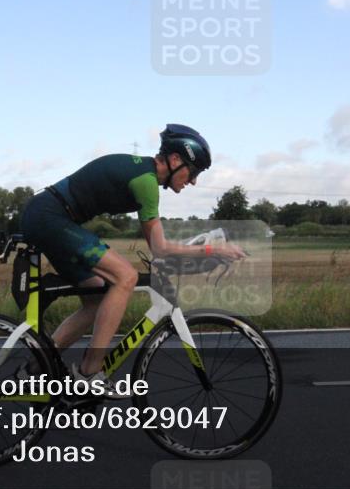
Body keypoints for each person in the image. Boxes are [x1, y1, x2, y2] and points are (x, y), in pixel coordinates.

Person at [19, 124, 246, 395]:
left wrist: (200, 248)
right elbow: (160, 249)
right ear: (175, 160)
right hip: (50, 217)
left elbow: (158, 246)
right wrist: (213, 251)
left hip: (50, 216)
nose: (194, 180)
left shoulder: (145, 176)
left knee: (96, 297)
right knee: (125, 276)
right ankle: (90, 373)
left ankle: (35, 367)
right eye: (194, 171)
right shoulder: (146, 182)